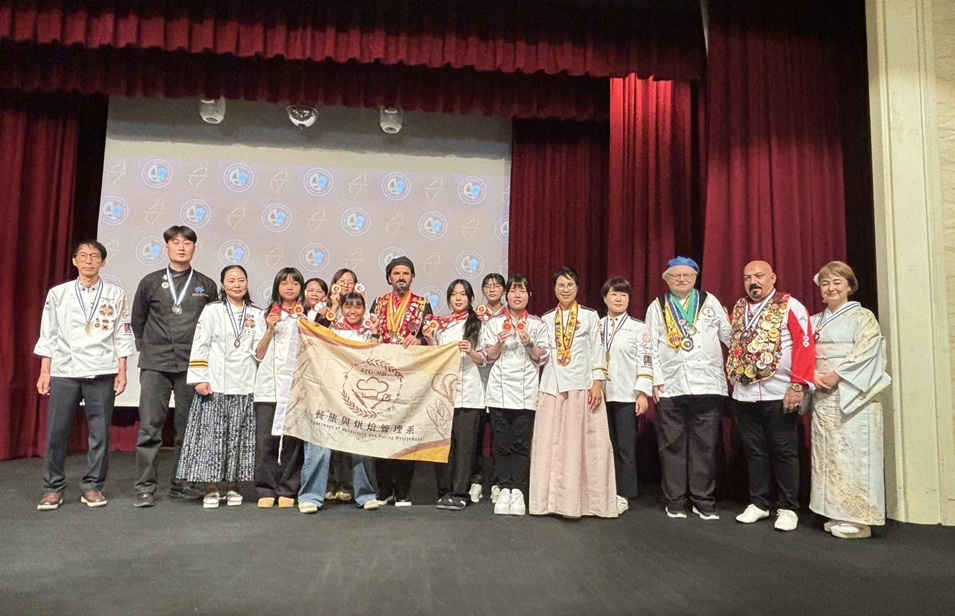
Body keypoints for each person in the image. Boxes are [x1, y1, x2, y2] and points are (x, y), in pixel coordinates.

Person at [35, 240, 134, 510]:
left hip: (102, 369)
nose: (89, 260)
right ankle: (53, 488)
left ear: (103, 261)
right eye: (83, 255)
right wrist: (45, 371)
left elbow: (122, 333)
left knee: (100, 433)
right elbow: (48, 333)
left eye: (95, 256)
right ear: (74, 261)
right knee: (57, 431)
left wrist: (122, 370)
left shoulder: (115, 294)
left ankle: (92, 486)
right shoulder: (58, 293)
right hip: (64, 369)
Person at [131, 225, 217, 508]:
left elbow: (213, 325)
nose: (181, 247)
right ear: (166, 246)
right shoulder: (150, 282)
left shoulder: (206, 284)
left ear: (194, 248)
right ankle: (145, 487)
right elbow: (138, 321)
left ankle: (182, 484)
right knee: (150, 428)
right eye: (176, 242)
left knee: (187, 428)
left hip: (191, 366)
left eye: (187, 243)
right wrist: (150, 349)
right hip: (155, 364)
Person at [728, 260, 815, 532]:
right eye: (747, 277)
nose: (753, 282)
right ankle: (759, 503)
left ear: (773, 277)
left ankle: (788, 507)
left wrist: (798, 385)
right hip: (744, 394)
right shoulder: (739, 308)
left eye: (759, 276)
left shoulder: (790, 305)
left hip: (780, 392)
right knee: (754, 451)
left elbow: (805, 344)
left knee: (784, 451)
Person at [645, 258, 731, 520]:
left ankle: (702, 499)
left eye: (687, 275)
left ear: (695, 278)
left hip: (708, 385)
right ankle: (675, 500)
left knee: (705, 446)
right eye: (676, 276)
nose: (681, 279)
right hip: (670, 386)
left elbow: (728, 336)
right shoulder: (657, 306)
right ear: (667, 279)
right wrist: (655, 381)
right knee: (672, 446)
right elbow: (650, 346)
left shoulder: (710, 301)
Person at [810, 261, 890, 539]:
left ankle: (859, 518)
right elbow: (804, 353)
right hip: (823, 393)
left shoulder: (863, 317)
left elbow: (868, 351)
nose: (830, 288)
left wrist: (837, 374)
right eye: (825, 283)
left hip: (853, 394)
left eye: (837, 283)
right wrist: (811, 375)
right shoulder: (814, 320)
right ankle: (835, 511)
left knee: (855, 453)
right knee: (829, 454)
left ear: (849, 286)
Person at [529, 265, 616, 519]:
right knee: (550, 444)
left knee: (581, 446)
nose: (565, 289)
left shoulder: (589, 316)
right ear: (554, 289)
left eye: (570, 285)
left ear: (577, 288)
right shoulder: (546, 319)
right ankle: (547, 503)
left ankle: (581, 503)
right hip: (552, 387)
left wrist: (597, 382)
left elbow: (598, 350)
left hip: (581, 386)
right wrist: (529, 344)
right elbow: (541, 353)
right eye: (560, 285)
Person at [176, 265, 264, 509]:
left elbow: (259, 351)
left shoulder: (257, 314)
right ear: (223, 284)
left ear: (247, 282)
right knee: (212, 439)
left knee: (239, 438)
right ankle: (211, 487)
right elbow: (200, 344)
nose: (237, 284)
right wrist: (200, 378)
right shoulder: (212, 310)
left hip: (245, 384)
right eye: (231, 280)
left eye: (241, 280)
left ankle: (234, 486)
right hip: (215, 384)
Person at [297, 291, 382, 514]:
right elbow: (312, 338)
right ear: (342, 308)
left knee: (361, 448)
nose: (353, 310)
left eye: (358, 306)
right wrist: (331, 308)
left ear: (364, 310)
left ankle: (365, 494)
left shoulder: (369, 332)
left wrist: (375, 333)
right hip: (328, 396)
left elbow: (376, 359)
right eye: (348, 306)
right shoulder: (331, 329)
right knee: (320, 447)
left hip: (358, 399)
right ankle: (310, 496)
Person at [482, 274, 548, 516]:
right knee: (501, 444)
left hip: (525, 391)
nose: (517, 295)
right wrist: (499, 343)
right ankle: (504, 488)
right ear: (506, 295)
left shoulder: (538, 324)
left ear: (529, 295)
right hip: (499, 391)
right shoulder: (494, 323)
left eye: (522, 291)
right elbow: (488, 356)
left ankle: (518, 490)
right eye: (513, 291)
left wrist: (529, 343)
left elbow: (541, 357)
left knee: (520, 443)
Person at [369, 256, 433, 506]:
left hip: (409, 375)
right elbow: (369, 332)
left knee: (405, 431)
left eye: (406, 273)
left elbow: (429, 336)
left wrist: (420, 340)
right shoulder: (378, 303)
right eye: (396, 273)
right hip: (382, 376)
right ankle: (384, 489)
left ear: (412, 277)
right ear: (389, 278)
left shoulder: (422, 304)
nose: (401, 277)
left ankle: (404, 490)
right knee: (381, 430)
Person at [422, 280, 486, 511]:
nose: (458, 298)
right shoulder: (441, 325)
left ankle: (460, 492)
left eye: (463, 294)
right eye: (454, 294)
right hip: (444, 392)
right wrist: (430, 339)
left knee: (465, 447)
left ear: (470, 298)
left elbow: (484, 358)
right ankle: (444, 491)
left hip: (469, 391)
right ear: (448, 298)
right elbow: (435, 356)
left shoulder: (478, 323)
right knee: (442, 445)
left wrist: (471, 352)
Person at [253, 267, 307, 509]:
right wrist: (269, 330)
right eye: (284, 283)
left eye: (295, 283)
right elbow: (258, 353)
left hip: (296, 387)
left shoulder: (307, 316)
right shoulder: (264, 315)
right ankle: (265, 488)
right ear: (277, 286)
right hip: (268, 386)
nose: (289, 287)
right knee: (265, 439)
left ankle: (288, 488)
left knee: (293, 441)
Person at [599, 277, 653, 515]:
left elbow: (646, 361)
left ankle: (624, 493)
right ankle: (604, 490)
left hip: (626, 395)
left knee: (625, 447)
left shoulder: (638, 328)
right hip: (599, 395)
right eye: (614, 294)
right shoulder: (596, 326)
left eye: (623, 295)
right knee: (603, 446)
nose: (618, 299)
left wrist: (642, 393)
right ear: (605, 298)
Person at [472, 273, 506, 503]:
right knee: (476, 432)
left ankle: (497, 481)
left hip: (503, 380)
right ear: (482, 290)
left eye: (497, 285)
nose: (492, 289)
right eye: (487, 286)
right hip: (477, 379)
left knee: (498, 433)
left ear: (504, 290)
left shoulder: (511, 317)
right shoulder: (475, 316)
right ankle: (475, 480)